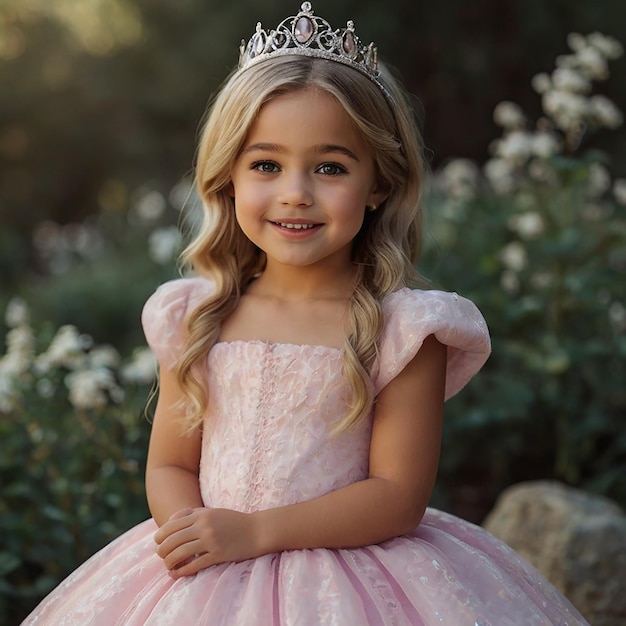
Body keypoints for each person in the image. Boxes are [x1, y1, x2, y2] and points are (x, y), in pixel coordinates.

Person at [23, 3, 588, 625]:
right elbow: (171, 462)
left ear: (379, 184)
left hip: (352, 580)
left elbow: (397, 497)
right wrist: (194, 532)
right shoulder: (196, 316)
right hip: (208, 573)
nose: (296, 191)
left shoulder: (405, 330)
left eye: (329, 167)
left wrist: (255, 532)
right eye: (266, 164)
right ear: (229, 179)